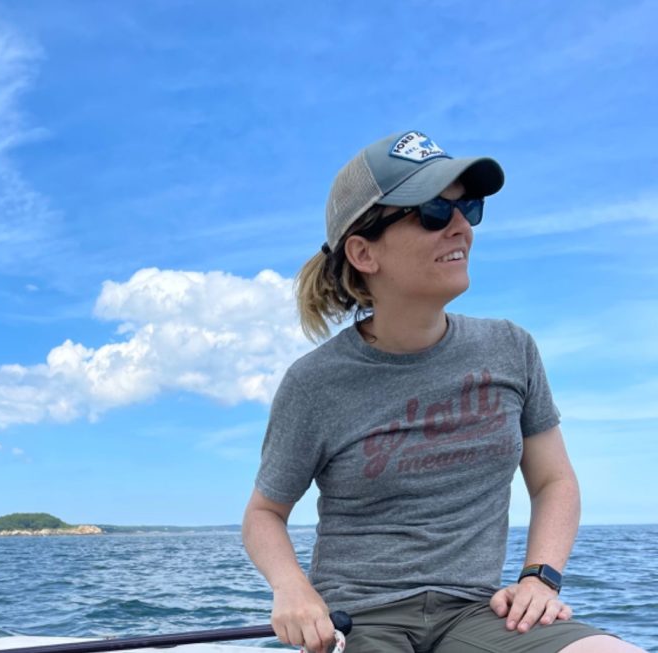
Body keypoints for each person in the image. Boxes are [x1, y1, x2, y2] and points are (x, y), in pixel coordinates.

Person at [242, 131, 646, 653]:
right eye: (433, 212)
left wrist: (539, 577)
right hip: (360, 620)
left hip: (479, 614)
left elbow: (554, 480)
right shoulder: (314, 383)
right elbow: (264, 514)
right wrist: (292, 589)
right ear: (364, 252)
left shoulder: (512, 348)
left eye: (468, 208)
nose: (460, 226)